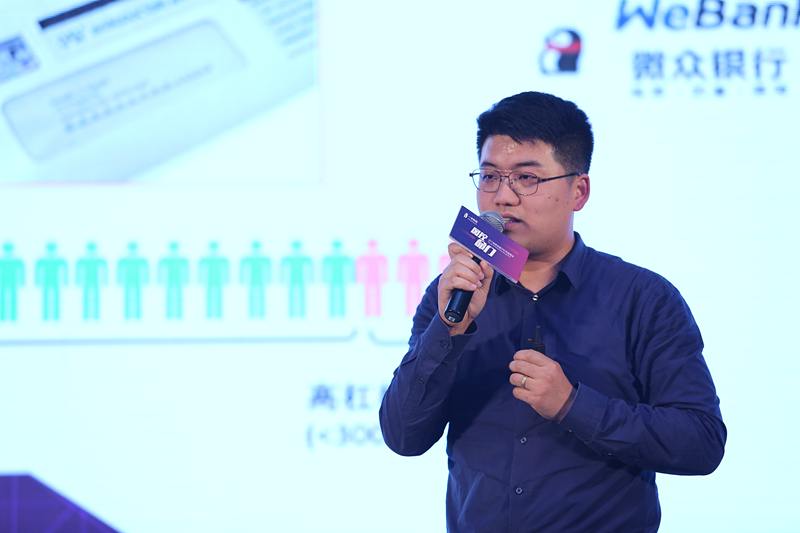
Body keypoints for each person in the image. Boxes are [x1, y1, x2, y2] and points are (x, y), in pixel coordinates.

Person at [379, 91, 726, 533]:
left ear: (578, 190)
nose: (502, 197)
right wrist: (449, 330)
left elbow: (701, 441)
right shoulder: (452, 294)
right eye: (489, 176)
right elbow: (403, 436)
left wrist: (573, 405)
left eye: (526, 178)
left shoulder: (643, 298)